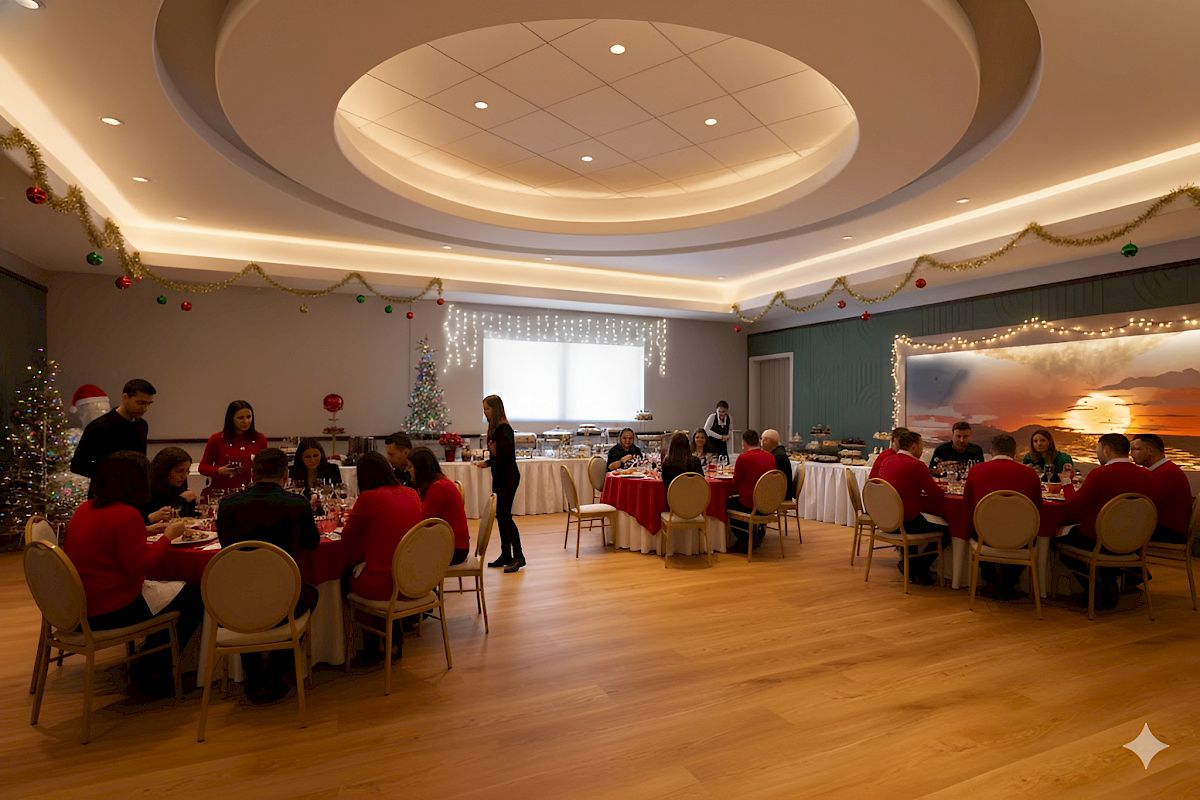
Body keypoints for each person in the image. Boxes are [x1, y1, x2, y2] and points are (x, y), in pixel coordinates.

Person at [63, 451, 202, 695]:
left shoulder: (85, 509)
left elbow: (108, 543)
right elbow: (140, 566)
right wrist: (168, 537)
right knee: (195, 594)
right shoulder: (125, 515)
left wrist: (147, 530)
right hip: (111, 608)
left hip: (78, 603)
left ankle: (152, 662)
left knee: (178, 591)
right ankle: (152, 670)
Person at [216, 447, 319, 702]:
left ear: (253, 473)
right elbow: (312, 543)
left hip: (235, 601)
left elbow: (225, 547)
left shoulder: (228, 505)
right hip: (284, 597)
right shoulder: (297, 504)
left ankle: (254, 673)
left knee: (245, 600)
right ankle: (278, 668)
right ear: (285, 475)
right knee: (311, 593)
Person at [1058, 433, 1154, 609]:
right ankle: (1110, 578)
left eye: (1098, 450)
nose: (1097, 454)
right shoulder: (1147, 475)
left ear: (1107, 450)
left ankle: (1096, 587)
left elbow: (1073, 507)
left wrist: (1066, 483)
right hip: (1134, 541)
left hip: (1099, 541)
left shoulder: (1100, 474)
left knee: (1057, 539)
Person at [962, 434, 1042, 599]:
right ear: (1015, 452)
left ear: (991, 450)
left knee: (975, 528)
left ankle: (991, 581)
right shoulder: (1030, 474)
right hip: (1021, 536)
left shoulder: (977, 471)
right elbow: (1037, 507)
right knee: (1030, 535)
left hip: (985, 533)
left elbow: (967, 504)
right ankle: (1008, 582)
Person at [342, 451, 425, 600]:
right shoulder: (411, 493)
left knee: (343, 577)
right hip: (417, 579)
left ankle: (359, 622)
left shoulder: (368, 498)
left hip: (385, 584)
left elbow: (347, 538)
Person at [877, 430, 948, 584]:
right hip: (906, 522)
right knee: (947, 531)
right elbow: (935, 494)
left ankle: (911, 567)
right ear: (914, 446)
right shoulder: (916, 465)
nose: (922, 450)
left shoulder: (887, 461)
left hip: (886, 520)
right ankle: (919, 567)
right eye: (922, 446)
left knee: (919, 518)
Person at [70, 378, 156, 481]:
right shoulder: (100, 426)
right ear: (125, 398)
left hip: (133, 490)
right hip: (105, 491)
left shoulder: (142, 425)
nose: (145, 408)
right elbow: (77, 465)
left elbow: (141, 460)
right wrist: (110, 476)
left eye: (148, 404)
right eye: (140, 403)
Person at [476, 394, 524, 572]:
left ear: (495, 409)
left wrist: (487, 463)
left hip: (509, 478)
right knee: (500, 516)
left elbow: (505, 457)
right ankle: (506, 554)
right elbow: (495, 454)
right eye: (484, 409)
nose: (485, 412)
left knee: (505, 517)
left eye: (487, 409)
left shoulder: (504, 429)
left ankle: (518, 556)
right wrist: (489, 462)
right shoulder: (494, 428)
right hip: (500, 477)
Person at [409, 447, 470, 565]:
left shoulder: (438, 487)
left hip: (455, 548)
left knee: (406, 556)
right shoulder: (438, 483)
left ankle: (423, 582)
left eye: (411, 466)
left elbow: (423, 522)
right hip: (452, 543)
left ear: (421, 469)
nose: (408, 470)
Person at [1130, 433, 1193, 544]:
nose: (1131, 454)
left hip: (1170, 533)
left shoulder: (1167, 473)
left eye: (1136, 449)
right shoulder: (1161, 470)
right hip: (1162, 527)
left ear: (1149, 450)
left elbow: (1146, 505)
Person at [199, 400, 268, 497]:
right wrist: (219, 470)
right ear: (231, 419)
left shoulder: (259, 438)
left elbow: (266, 466)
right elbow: (202, 467)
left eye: (249, 417)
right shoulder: (217, 439)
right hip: (223, 493)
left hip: (251, 493)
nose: (246, 421)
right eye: (240, 418)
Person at [725, 429, 777, 553]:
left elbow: (735, 483)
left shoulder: (743, 458)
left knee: (726, 502)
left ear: (744, 442)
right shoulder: (770, 457)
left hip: (750, 504)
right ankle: (754, 533)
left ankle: (745, 538)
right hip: (768, 504)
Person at [143, 446, 199, 524]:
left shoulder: (180, 482)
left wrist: (191, 502)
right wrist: (151, 517)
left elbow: (189, 516)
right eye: (179, 471)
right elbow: (133, 522)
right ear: (164, 470)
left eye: (187, 471)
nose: (184, 475)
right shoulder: (146, 487)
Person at [661, 432, 703, 510]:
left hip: (673, 505)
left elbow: (666, 484)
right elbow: (702, 481)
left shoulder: (667, 463)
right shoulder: (695, 462)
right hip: (695, 506)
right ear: (688, 445)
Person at [760, 429, 796, 500]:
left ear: (767, 441)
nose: (761, 442)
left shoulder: (778, 457)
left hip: (780, 495)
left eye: (762, 439)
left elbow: (777, 480)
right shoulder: (777, 453)